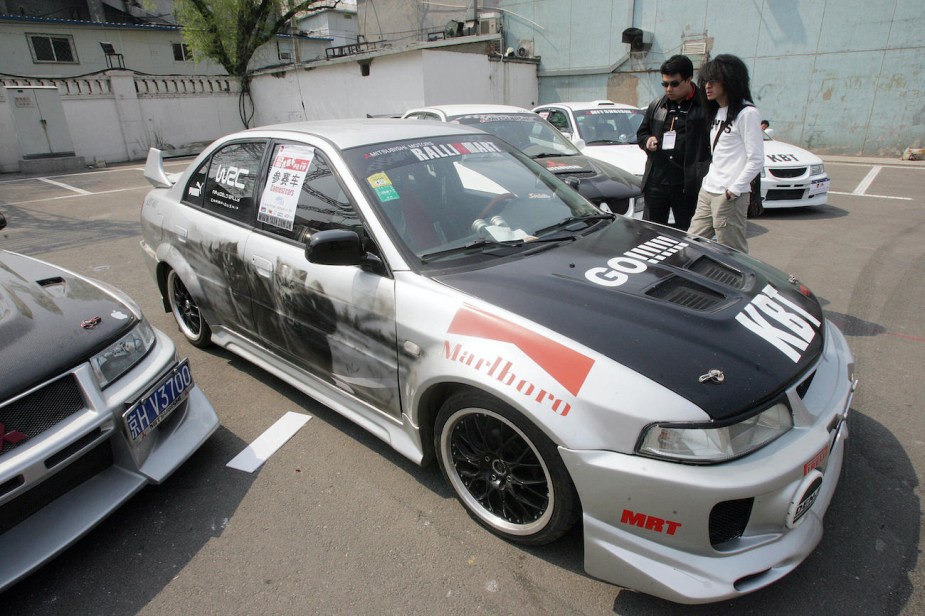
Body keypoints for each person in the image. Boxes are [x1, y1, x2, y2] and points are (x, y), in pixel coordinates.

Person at [687, 54, 764, 253]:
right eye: (705, 81)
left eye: (713, 81)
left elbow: (756, 159)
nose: (707, 86)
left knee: (732, 252)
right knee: (691, 243)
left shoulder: (747, 113)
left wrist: (733, 190)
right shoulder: (717, 112)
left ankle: (740, 284)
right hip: (709, 189)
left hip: (729, 194)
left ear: (730, 81)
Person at [636, 54, 712, 230]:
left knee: (689, 234)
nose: (669, 89)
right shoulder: (657, 105)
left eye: (674, 84)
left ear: (689, 79)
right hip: (656, 181)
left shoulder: (705, 106)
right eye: (665, 84)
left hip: (687, 184)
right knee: (652, 233)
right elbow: (641, 133)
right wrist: (647, 141)